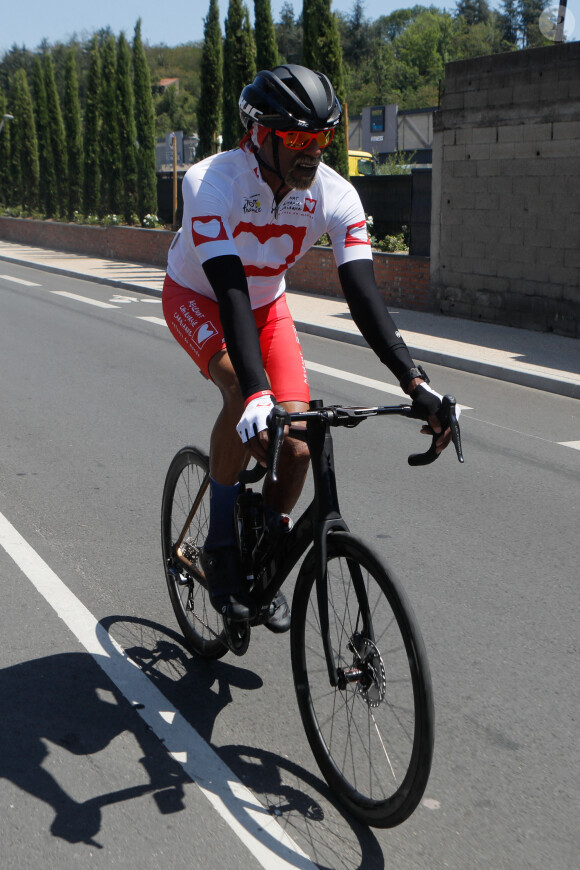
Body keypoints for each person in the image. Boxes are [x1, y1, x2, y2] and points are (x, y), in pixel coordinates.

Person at [163, 64, 453, 632]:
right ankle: (221, 545)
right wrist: (253, 393)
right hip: (199, 297)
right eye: (297, 137)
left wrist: (415, 383)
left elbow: (365, 297)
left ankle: (264, 549)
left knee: (294, 448)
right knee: (239, 398)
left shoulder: (334, 195)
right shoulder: (211, 182)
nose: (312, 151)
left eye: (322, 138)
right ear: (259, 134)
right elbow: (228, 289)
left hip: (267, 307)